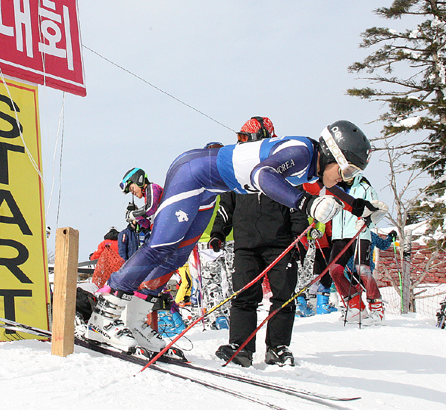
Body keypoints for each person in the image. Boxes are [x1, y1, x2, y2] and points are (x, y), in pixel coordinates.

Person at [92, 120, 384, 354]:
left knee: (179, 253)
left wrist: (361, 207)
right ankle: (103, 315)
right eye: (347, 169)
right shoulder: (302, 152)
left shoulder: (313, 165)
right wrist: (305, 204)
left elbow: (328, 187)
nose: (346, 177)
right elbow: (262, 175)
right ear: (331, 153)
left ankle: (137, 321)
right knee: (160, 247)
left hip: (211, 187)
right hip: (194, 173)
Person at [207, 116, 306, 367]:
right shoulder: (238, 169)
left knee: (283, 296)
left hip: (280, 243)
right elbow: (226, 205)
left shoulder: (284, 168)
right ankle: (240, 348)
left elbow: (297, 206)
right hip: (246, 244)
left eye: (246, 138)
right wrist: (218, 233)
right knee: (243, 296)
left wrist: (299, 238)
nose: (242, 143)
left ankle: (277, 347)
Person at [328, 173, 395, 321]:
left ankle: (377, 308)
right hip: (340, 235)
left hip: (359, 232)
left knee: (362, 270)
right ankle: (355, 306)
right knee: (334, 270)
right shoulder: (335, 188)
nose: (345, 176)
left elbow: (377, 210)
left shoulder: (365, 188)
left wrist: (368, 221)